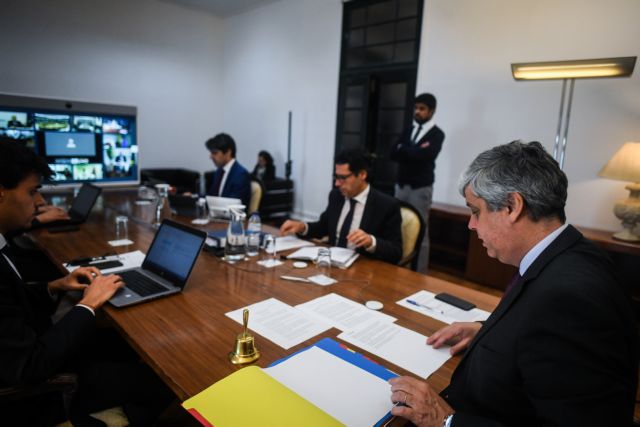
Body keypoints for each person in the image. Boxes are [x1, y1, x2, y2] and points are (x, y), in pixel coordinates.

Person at [388, 141, 638, 426]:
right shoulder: (569, 253)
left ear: (512, 206)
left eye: (476, 211)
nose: (471, 225)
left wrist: (444, 420)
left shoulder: (569, 299)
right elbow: (542, 335)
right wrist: (488, 332)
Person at [0, 140, 174, 426]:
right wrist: (88, 304)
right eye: (32, 191)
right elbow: (28, 367)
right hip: (41, 392)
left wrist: (54, 286)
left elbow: (9, 303)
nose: (40, 202)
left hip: (37, 344)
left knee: (126, 346)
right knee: (161, 380)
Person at [280, 148, 402, 265]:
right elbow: (323, 227)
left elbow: (396, 252)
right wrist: (302, 227)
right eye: (336, 177)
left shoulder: (386, 205)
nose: (337, 183)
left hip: (365, 269)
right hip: (332, 264)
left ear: (362, 174)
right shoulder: (336, 196)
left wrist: (371, 241)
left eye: (342, 178)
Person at [390, 93, 444, 273]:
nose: (417, 112)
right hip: (400, 186)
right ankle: (397, 264)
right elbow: (392, 153)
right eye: (416, 108)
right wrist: (413, 150)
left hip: (420, 189)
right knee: (396, 225)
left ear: (432, 111)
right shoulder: (408, 130)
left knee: (421, 230)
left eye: (422, 109)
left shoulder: (437, 134)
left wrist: (405, 149)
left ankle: (419, 273)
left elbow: (426, 155)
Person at [205, 133, 251, 207]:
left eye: (215, 153)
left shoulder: (241, 175)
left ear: (228, 152)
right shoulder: (219, 171)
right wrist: (194, 197)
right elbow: (212, 196)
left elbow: (234, 205)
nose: (211, 156)